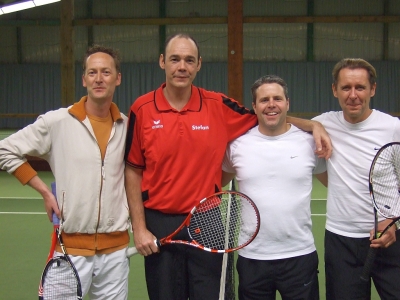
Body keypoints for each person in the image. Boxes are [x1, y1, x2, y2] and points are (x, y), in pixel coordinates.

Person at [124, 33, 331, 300]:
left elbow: (268, 116)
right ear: (162, 62)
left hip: (206, 219)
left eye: (189, 60)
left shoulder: (218, 106)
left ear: (199, 64)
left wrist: (312, 124)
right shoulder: (141, 109)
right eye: (175, 59)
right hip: (159, 221)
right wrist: (139, 228)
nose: (182, 67)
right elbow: (132, 170)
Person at [0, 45, 130, 299]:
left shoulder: (127, 127)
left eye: (106, 72)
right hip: (70, 249)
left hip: (115, 253)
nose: (99, 78)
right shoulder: (56, 122)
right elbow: (5, 150)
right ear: (84, 80)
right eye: (92, 73)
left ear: (118, 78)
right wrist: (44, 192)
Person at [221, 75, 325, 300]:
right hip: (253, 258)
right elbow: (216, 181)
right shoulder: (238, 145)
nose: (271, 104)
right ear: (254, 107)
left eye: (277, 98)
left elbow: (334, 184)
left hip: (300, 256)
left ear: (287, 103)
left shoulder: (309, 143)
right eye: (264, 99)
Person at [307, 58, 400, 300]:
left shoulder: (392, 128)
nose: (353, 95)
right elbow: (284, 122)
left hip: (389, 239)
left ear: (373, 89)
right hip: (341, 242)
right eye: (346, 87)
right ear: (334, 90)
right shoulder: (326, 122)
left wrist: (393, 221)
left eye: (360, 87)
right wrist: (314, 126)